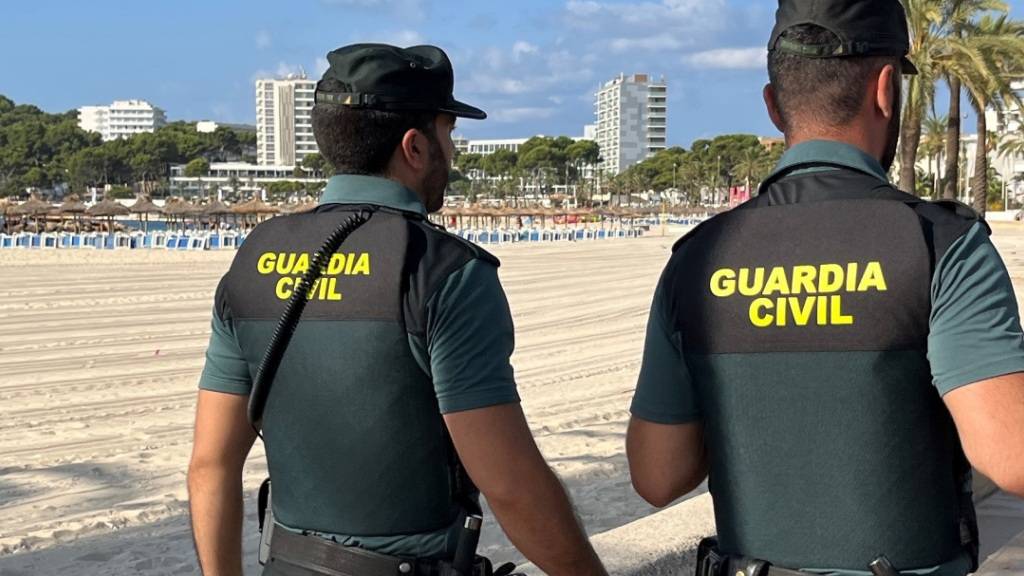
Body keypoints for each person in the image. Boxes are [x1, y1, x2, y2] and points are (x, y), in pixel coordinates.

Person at [626, 1, 1024, 575]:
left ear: (772, 106)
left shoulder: (696, 259)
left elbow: (657, 477)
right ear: (887, 90)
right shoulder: (941, 243)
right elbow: (1009, 455)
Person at [188, 43, 606, 576]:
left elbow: (211, 466)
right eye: (449, 133)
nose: (452, 153)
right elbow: (512, 486)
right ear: (414, 146)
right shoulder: (443, 270)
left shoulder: (253, 259)